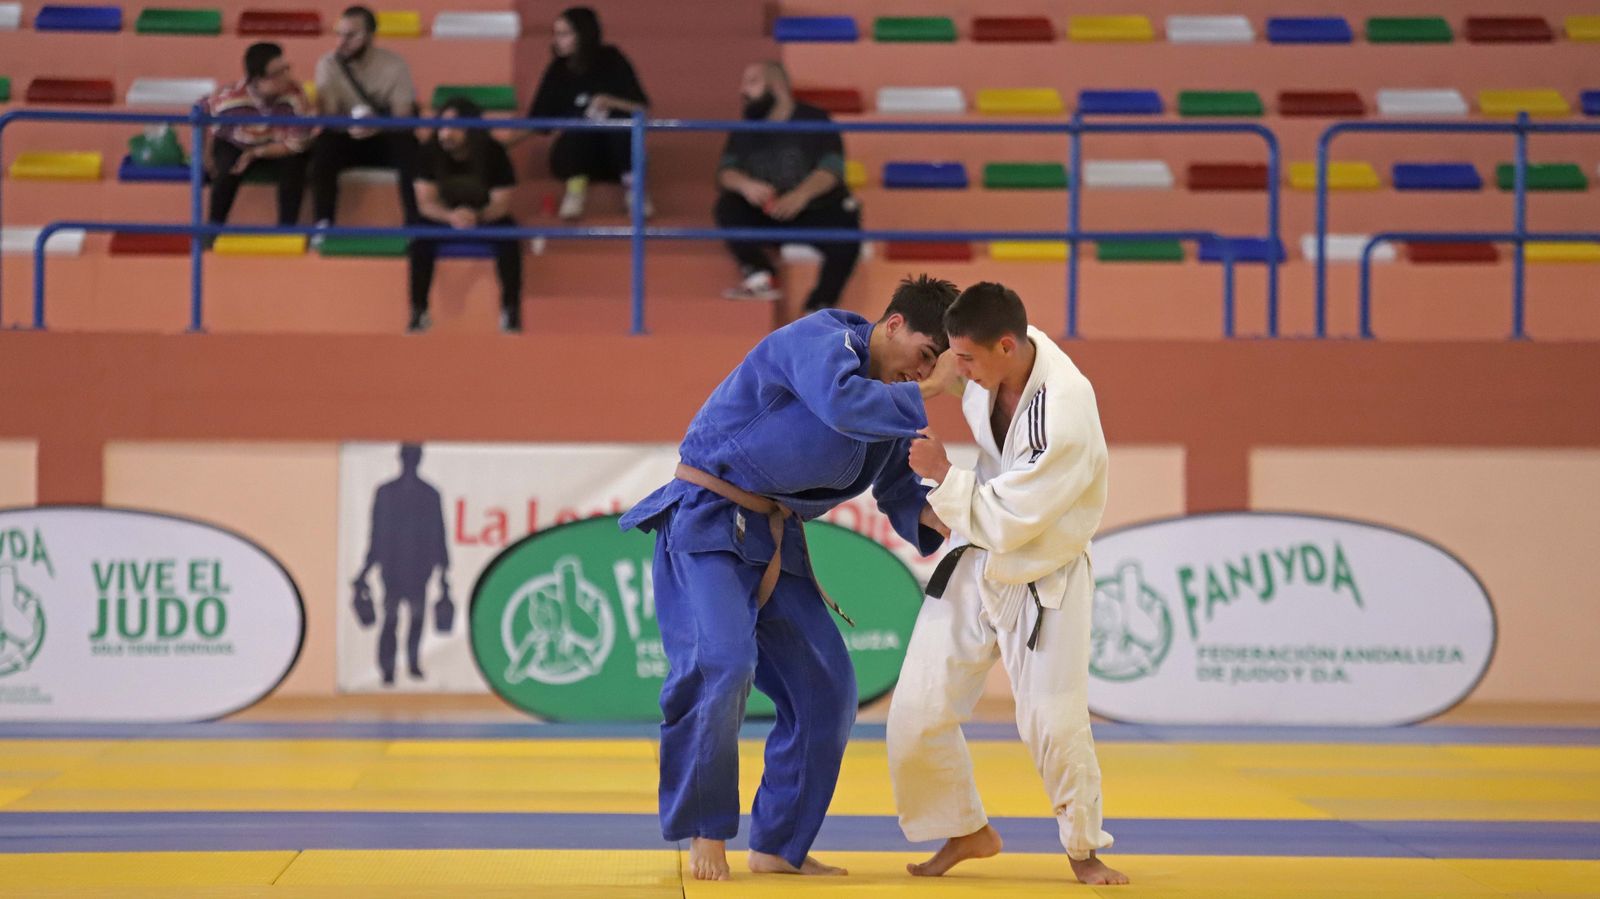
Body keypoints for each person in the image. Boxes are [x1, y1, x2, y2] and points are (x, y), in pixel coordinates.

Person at [617, 276, 963, 882]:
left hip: (776, 540)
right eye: (926, 355)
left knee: (828, 690)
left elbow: (898, 484)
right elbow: (840, 404)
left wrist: (944, 519)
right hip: (706, 522)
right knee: (721, 664)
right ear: (893, 325)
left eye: (938, 365)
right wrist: (932, 386)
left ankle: (778, 844)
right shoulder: (821, 338)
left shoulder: (891, 401)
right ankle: (706, 827)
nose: (925, 374)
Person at [890, 282, 1130, 886]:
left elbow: (1011, 519)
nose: (958, 370)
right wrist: (910, 387)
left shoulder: (1065, 411)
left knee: (1053, 721)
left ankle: (1084, 850)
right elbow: (946, 374)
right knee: (916, 711)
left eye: (966, 358)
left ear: (1005, 346)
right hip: (979, 559)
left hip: (1043, 571)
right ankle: (965, 828)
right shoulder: (988, 360)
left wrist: (944, 475)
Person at [715, 61, 861, 310]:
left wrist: (800, 196)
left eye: (752, 81)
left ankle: (820, 304)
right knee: (727, 206)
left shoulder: (815, 119)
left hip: (812, 209)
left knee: (847, 226)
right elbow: (725, 172)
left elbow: (832, 169)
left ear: (776, 85)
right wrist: (746, 185)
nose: (743, 90)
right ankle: (761, 276)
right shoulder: (745, 127)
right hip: (766, 210)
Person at [522, 6, 651, 220]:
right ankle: (575, 191)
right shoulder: (557, 69)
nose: (557, 40)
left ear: (583, 34)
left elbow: (641, 108)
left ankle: (635, 192)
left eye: (564, 34)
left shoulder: (613, 59)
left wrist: (611, 101)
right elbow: (538, 122)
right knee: (578, 122)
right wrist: (502, 144)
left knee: (619, 122)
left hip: (614, 154)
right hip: (575, 154)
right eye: (555, 34)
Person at [408, 98, 523, 334]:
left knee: (511, 238)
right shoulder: (428, 151)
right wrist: (450, 216)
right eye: (442, 126)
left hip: (483, 216)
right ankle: (419, 312)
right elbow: (425, 203)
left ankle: (510, 312)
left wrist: (477, 217)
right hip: (444, 216)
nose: (446, 133)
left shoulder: (494, 152)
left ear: (471, 128)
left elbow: (501, 203)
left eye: (454, 127)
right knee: (419, 239)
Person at [310, 4, 421, 229]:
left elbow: (403, 117)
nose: (342, 42)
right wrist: (350, 125)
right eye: (339, 34)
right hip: (345, 135)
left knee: (411, 149)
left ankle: (415, 226)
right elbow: (329, 116)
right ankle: (323, 225)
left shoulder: (395, 65)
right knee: (323, 150)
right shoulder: (328, 64)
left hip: (385, 136)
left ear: (370, 36)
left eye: (350, 35)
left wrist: (376, 125)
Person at [352, 444, 452, 686]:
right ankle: (388, 668)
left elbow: (438, 532)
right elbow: (376, 532)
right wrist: (367, 567)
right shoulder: (386, 492)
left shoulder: (430, 494)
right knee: (391, 619)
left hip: (419, 567)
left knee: (416, 619)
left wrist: (443, 568)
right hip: (393, 567)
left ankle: (412, 663)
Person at [203, 42, 312, 229]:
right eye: (277, 74)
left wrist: (257, 153)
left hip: (275, 145)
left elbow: (296, 143)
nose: (286, 77)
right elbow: (203, 116)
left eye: (286, 69)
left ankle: (287, 231)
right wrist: (205, 155)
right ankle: (212, 230)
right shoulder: (229, 100)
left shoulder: (294, 96)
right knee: (225, 170)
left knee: (295, 166)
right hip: (236, 142)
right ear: (256, 80)